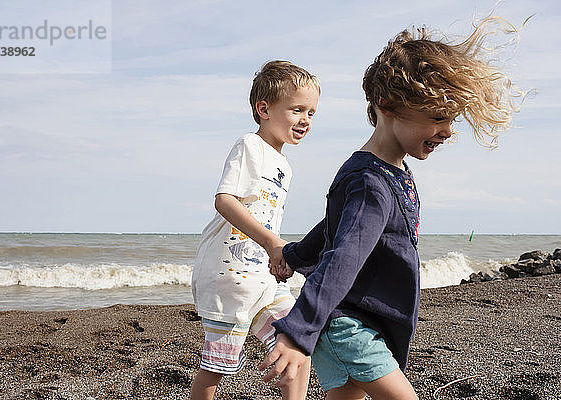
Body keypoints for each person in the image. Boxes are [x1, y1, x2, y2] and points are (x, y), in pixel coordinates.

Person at [259, 17, 526, 400]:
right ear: (387, 106)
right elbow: (343, 256)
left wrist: (292, 253)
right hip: (348, 326)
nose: (448, 131)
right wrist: (298, 330)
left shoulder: (387, 170)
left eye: (451, 119)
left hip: (360, 322)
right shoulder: (371, 182)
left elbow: (333, 228)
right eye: (437, 117)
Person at [189, 60, 320, 400]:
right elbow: (225, 201)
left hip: (261, 275)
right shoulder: (250, 145)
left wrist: (275, 255)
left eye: (311, 113)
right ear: (264, 108)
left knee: (299, 343)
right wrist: (272, 242)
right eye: (296, 110)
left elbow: (267, 219)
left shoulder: (284, 165)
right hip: (228, 277)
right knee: (216, 368)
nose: (305, 119)